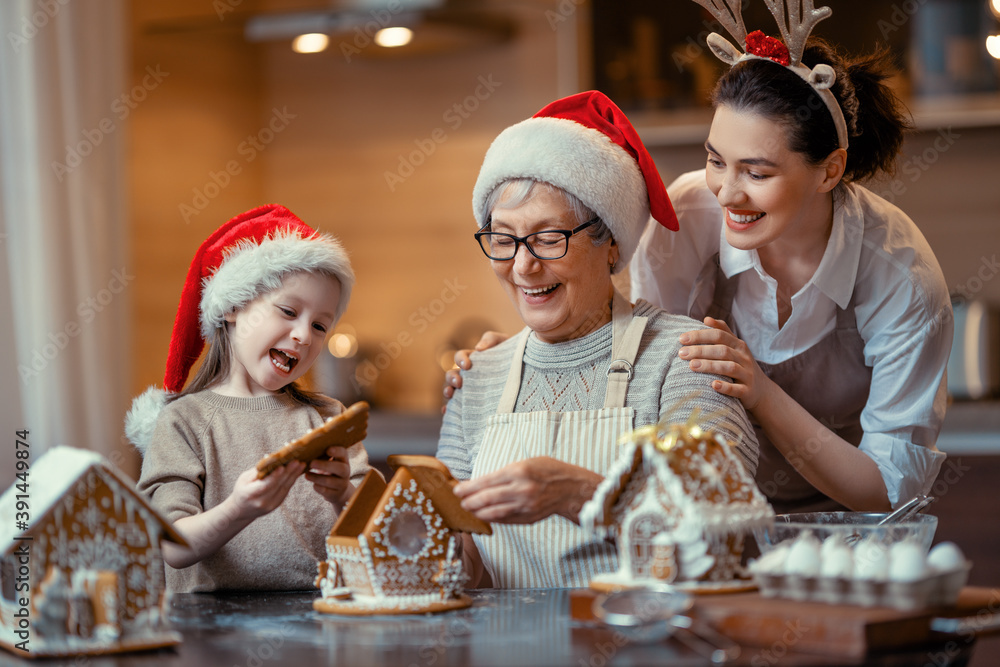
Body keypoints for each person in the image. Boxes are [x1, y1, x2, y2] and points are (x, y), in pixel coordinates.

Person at [628, 12, 952, 513]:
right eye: (715, 160)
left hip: (848, 521)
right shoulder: (687, 217)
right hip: (709, 511)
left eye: (756, 172)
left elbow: (891, 489)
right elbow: (644, 383)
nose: (727, 192)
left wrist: (760, 391)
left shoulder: (899, 273)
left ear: (830, 171)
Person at [437, 90, 759, 589]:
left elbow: (722, 529)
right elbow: (455, 562)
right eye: (503, 239)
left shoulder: (685, 358)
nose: (523, 266)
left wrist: (580, 495)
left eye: (548, 238)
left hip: (643, 644)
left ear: (609, 243)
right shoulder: (477, 376)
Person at [125, 204, 376, 592]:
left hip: (318, 626)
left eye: (320, 325)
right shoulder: (182, 422)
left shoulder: (328, 419)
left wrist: (344, 494)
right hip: (210, 636)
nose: (304, 335)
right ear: (232, 307)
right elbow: (170, 544)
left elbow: (377, 534)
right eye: (288, 311)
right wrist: (238, 510)